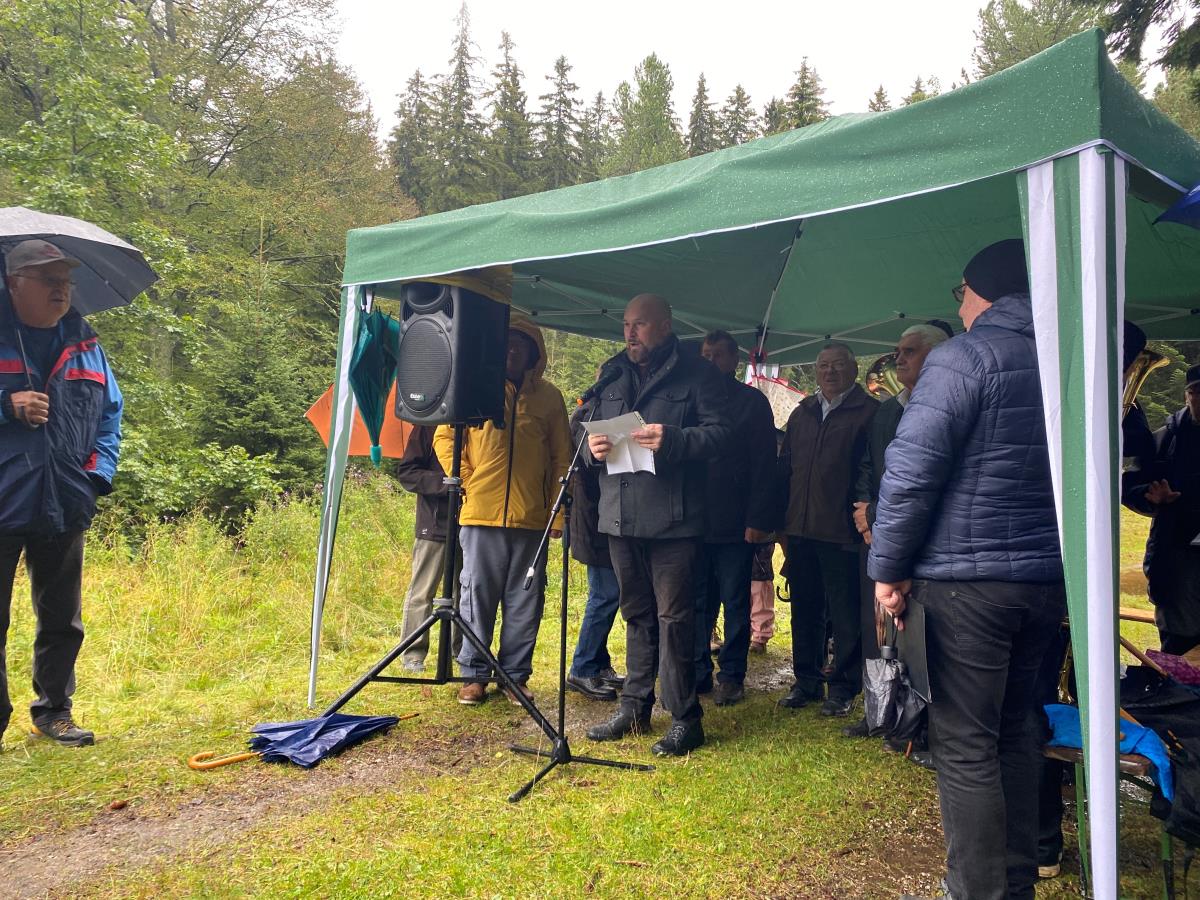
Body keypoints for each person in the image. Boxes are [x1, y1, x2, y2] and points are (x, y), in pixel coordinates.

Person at [872, 239, 1064, 900]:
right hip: (1044, 582)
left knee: (964, 745)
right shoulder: (1071, 355)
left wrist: (888, 568)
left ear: (983, 292)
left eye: (961, 293)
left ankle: (977, 891)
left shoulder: (965, 357)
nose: (959, 306)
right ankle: (1014, 883)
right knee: (1015, 731)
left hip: (965, 585)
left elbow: (910, 474)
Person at [584, 293, 730, 757]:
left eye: (640, 325)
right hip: (620, 516)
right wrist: (591, 449)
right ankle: (634, 708)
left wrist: (675, 439)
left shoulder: (698, 373)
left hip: (673, 521)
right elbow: (582, 430)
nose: (630, 333)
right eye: (626, 324)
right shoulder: (612, 372)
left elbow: (723, 436)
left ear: (665, 326)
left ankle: (686, 717)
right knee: (636, 614)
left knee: (675, 620)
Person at [0, 240, 123, 748]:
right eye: (48, 280)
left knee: (62, 619)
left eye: (66, 280)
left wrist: (95, 477)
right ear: (13, 284)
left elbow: (111, 416)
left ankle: (53, 712)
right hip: (5, 497)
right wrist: (5, 405)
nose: (61, 289)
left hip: (65, 499)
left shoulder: (86, 343)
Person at [434, 315, 571, 706]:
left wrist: (558, 514)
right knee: (476, 596)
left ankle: (514, 676)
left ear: (533, 353)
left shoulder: (550, 398)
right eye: (506, 343)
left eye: (520, 345)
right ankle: (474, 675)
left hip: (532, 519)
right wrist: (467, 480)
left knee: (525, 601)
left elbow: (562, 458)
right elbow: (445, 437)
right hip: (480, 513)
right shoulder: (475, 387)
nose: (512, 350)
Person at [844, 323, 946, 759]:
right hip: (879, 533)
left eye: (910, 351)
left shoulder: (947, 403)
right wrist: (865, 515)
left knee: (920, 633)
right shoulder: (887, 411)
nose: (899, 359)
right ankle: (881, 712)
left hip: (927, 541)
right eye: (898, 351)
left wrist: (876, 516)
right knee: (878, 627)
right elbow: (869, 466)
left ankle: (925, 727)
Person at [778, 341, 877, 717]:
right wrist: (782, 522)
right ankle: (805, 681)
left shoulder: (869, 412)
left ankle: (843, 686)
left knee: (845, 613)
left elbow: (871, 471)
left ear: (853, 370)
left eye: (837, 365)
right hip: (800, 529)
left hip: (842, 531)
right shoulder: (802, 412)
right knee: (804, 609)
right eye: (823, 366)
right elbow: (785, 468)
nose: (830, 372)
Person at [693, 330, 778, 706]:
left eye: (717, 355)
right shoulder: (691, 398)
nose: (710, 361)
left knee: (735, 602)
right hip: (694, 521)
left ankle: (732, 674)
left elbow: (765, 464)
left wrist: (758, 519)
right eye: (705, 355)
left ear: (733, 361)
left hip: (737, 521)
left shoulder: (752, 402)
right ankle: (697, 670)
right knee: (697, 601)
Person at [1127, 364, 1200, 655]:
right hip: (1177, 561)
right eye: (1197, 391)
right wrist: (1151, 496)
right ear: (1187, 396)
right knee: (1178, 648)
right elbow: (1129, 485)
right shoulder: (1164, 439)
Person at [565, 395, 625, 702]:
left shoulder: (598, 413)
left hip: (607, 520)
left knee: (607, 594)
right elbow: (585, 466)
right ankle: (583, 667)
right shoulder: (587, 416)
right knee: (604, 595)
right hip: (594, 522)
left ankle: (599, 663)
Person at [395, 424, 461, 673]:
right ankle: (412, 655)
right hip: (434, 524)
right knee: (422, 592)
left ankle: (461, 652)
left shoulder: (480, 424)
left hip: (472, 524)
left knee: (464, 593)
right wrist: (446, 484)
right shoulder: (427, 426)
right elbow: (407, 472)